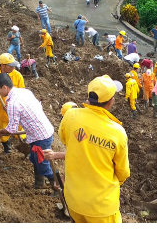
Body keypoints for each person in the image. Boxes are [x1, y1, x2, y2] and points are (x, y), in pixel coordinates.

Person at [43, 75, 130, 223]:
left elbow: (67, 141)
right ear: (111, 102)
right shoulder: (117, 132)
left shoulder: (70, 115)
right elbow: (123, 173)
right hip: (101, 208)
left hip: (74, 201)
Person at [0, 73, 57, 189]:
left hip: (40, 137)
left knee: (42, 164)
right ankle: (39, 183)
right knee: (34, 158)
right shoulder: (24, 92)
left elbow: (12, 129)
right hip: (44, 130)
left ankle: (57, 186)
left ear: (5, 87)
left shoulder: (12, 104)